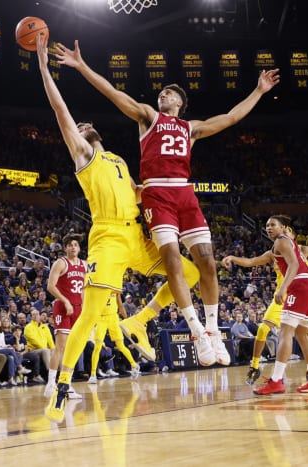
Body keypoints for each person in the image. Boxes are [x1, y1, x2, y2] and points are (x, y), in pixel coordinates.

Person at [53, 39, 280, 368]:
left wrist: (258, 91)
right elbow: (114, 95)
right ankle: (196, 331)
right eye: (162, 92)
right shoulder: (148, 117)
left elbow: (231, 117)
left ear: (181, 103)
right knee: (172, 259)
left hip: (185, 194)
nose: (164, 94)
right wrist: (82, 66)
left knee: (208, 263)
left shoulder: (191, 128)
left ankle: (213, 330)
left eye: (170, 93)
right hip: (157, 194)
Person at [35, 34, 198, 421]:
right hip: (107, 237)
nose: (82, 124)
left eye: (87, 123)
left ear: (100, 133)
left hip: (136, 237)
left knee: (188, 273)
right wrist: (44, 68)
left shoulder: (121, 161)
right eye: (80, 124)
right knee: (89, 316)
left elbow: (141, 196)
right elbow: (61, 111)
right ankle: (62, 384)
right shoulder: (85, 154)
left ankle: (138, 321)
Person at [222, 228, 308, 384]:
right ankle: (254, 367)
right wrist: (233, 257)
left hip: (301, 293)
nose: (284, 234)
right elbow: (251, 261)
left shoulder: (304, 250)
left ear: (293, 235)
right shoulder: (273, 252)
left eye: (288, 231)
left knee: (306, 336)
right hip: (281, 296)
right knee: (263, 329)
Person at [243, 215, 308, 395]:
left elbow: (295, 265)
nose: (268, 228)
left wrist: (282, 289)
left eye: (273, 225)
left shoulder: (282, 241)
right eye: (266, 225)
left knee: (286, 333)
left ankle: (276, 380)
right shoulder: (286, 246)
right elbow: (252, 261)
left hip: (297, 287)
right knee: (303, 335)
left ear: (284, 228)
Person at [44, 233, 87, 399]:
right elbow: (50, 286)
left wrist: (84, 307)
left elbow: (84, 289)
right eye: (69, 245)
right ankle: (50, 383)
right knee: (60, 347)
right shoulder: (60, 263)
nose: (73, 247)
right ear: (65, 248)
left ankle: (66, 385)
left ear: (79, 248)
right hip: (63, 307)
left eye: (75, 244)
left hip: (78, 309)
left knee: (73, 349)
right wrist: (66, 301)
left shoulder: (85, 265)